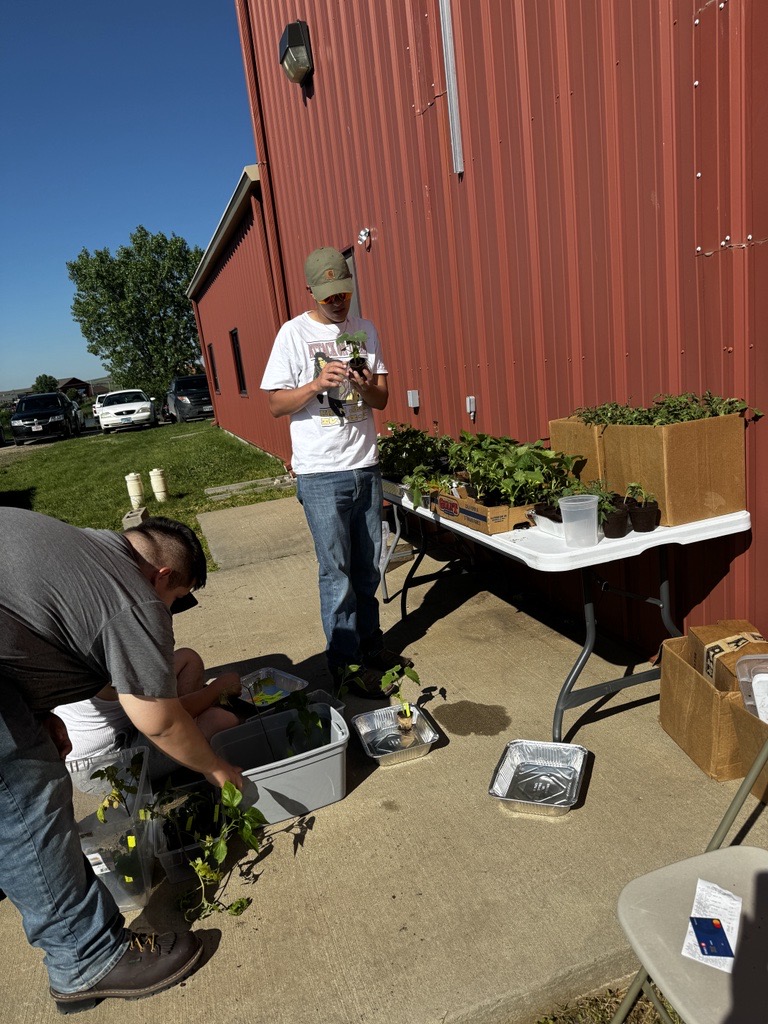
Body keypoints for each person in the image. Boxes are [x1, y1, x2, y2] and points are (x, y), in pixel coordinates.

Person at [0, 509, 244, 1012]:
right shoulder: (131, 595)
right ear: (163, 576)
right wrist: (218, 770)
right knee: (26, 796)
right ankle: (85, 958)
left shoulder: (86, 548)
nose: (167, 614)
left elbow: (24, 624)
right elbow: (159, 720)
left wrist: (37, 712)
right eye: (175, 601)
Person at [261, 246, 412, 697]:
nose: (338, 302)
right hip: (321, 474)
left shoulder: (366, 329)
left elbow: (382, 398)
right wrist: (315, 384)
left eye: (344, 293)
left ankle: (371, 647)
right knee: (337, 574)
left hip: (365, 466)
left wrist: (365, 386)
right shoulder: (292, 334)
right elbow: (275, 405)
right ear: (311, 291)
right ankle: (345, 667)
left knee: (367, 570)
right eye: (329, 297)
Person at [55, 647, 243, 781]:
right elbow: (165, 720)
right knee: (220, 719)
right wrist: (217, 689)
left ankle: (188, 737)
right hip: (107, 764)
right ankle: (185, 757)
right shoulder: (114, 660)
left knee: (188, 658)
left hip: (122, 723)